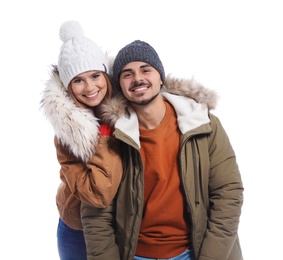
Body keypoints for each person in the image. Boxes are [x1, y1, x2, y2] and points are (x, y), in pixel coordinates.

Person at [81, 40, 244, 260]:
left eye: (145, 70)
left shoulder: (201, 123)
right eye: (127, 74)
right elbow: (96, 211)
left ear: (160, 78)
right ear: (120, 85)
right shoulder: (110, 136)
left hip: (194, 252)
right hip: (133, 254)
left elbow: (228, 193)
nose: (138, 78)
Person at [40, 20, 122, 260]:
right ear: (68, 86)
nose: (89, 87)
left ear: (106, 74)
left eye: (95, 75)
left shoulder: (127, 111)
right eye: (78, 80)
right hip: (77, 227)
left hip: (124, 223)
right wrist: (104, 139)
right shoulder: (67, 132)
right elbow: (99, 194)